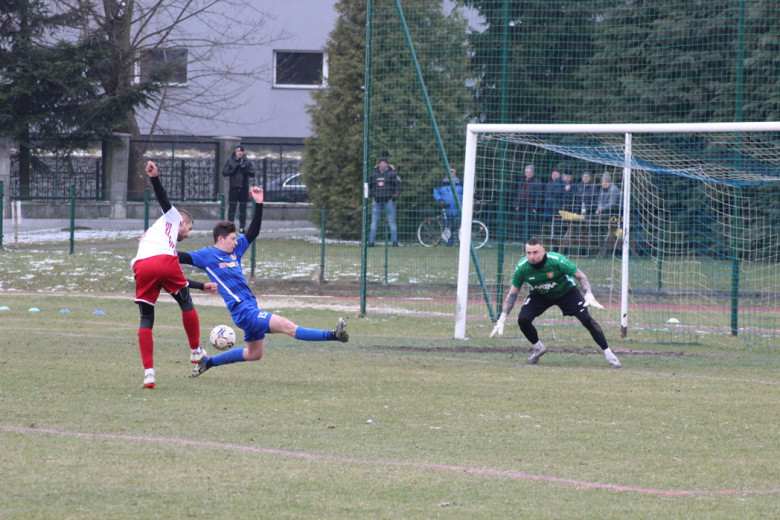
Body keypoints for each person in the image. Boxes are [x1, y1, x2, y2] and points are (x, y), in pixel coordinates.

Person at [179, 187, 349, 379]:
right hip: (243, 311)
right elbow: (179, 256)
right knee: (287, 325)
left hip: (251, 306)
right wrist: (155, 246)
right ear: (220, 239)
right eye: (233, 238)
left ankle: (208, 363)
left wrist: (259, 203)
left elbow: (253, 232)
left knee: (254, 354)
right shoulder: (207, 255)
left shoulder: (235, 251)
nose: (237, 242)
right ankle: (334, 335)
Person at [132, 161, 218, 389]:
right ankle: (195, 352)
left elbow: (166, 273)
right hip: (163, 262)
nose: (188, 234)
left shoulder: (154, 234)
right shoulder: (172, 217)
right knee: (186, 304)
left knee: (146, 318)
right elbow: (163, 199)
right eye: (189, 229)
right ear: (182, 222)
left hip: (141, 266)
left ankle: (149, 374)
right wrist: (154, 178)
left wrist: (201, 286)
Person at [489, 237, 621, 368]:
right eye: (528, 253)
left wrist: (589, 295)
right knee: (523, 319)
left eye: (535, 252)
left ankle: (609, 355)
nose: (532, 256)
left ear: (543, 251)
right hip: (540, 295)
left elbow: (581, 276)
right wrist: (502, 318)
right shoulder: (522, 267)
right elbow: (512, 293)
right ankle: (538, 348)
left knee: (586, 319)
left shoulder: (557, 261)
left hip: (566, 292)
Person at [368, 157, 402, 247]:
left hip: (389, 202)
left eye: (384, 163)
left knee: (392, 222)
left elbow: (398, 187)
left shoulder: (393, 174)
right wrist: (371, 196)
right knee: (374, 222)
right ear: (379, 164)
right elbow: (368, 186)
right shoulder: (373, 174)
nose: (383, 165)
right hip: (377, 202)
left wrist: (393, 198)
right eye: (381, 163)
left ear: (387, 164)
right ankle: (371, 242)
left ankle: (394, 242)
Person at [222, 145, 255, 234]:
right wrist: (234, 169)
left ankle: (242, 227)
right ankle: (230, 226)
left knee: (243, 208)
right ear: (236, 152)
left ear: (243, 152)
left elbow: (252, 173)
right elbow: (225, 172)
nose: (240, 153)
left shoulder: (247, 162)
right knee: (232, 207)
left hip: (244, 188)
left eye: (241, 152)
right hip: (234, 188)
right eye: (238, 151)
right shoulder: (230, 161)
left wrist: (246, 170)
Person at [432, 168, 463, 246]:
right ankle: (449, 243)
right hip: (446, 209)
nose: (450, 173)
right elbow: (436, 193)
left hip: (458, 209)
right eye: (449, 172)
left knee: (460, 227)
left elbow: (466, 193)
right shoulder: (440, 183)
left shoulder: (461, 183)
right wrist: (440, 200)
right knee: (447, 226)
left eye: (452, 172)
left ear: (455, 173)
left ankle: (461, 243)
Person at [514, 164, 543, 241]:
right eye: (526, 171)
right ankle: (523, 243)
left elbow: (539, 196)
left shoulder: (537, 182)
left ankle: (529, 243)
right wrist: (516, 205)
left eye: (529, 172)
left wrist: (535, 207)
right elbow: (517, 194)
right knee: (520, 225)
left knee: (530, 227)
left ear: (533, 172)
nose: (528, 173)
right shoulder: (521, 181)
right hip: (521, 207)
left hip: (531, 208)